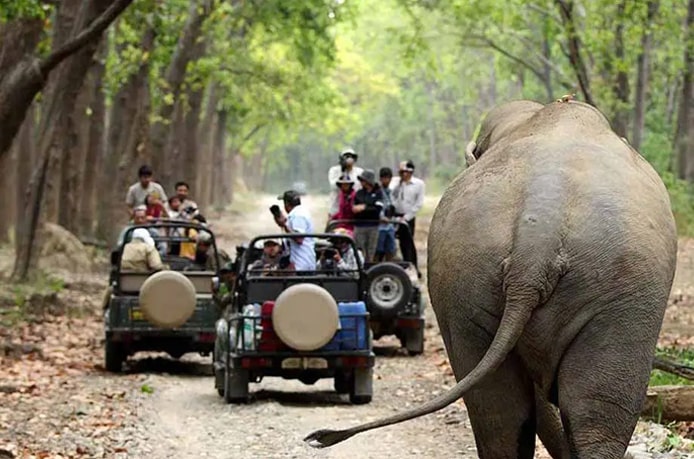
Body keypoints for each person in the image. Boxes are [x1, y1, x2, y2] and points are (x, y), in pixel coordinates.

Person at [391, 160, 424, 276]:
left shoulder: (418, 184)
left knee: (408, 243)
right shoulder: (395, 182)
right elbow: (391, 197)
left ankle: (412, 266)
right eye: (402, 172)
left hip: (408, 217)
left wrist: (407, 217)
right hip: (394, 216)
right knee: (392, 242)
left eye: (406, 172)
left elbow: (418, 204)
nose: (404, 174)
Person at [273, 190, 315, 272]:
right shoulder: (298, 213)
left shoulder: (298, 215)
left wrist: (285, 225)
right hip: (301, 263)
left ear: (287, 204)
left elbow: (299, 239)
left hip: (301, 265)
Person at [352, 169, 384, 262]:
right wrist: (363, 208)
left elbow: (377, 208)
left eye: (363, 180)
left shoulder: (378, 193)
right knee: (359, 249)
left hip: (373, 225)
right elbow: (355, 208)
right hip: (360, 225)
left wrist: (365, 207)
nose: (362, 182)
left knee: (371, 249)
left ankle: (369, 266)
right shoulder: (359, 193)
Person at [327, 148, 363, 218]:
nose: (349, 159)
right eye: (346, 157)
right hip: (336, 208)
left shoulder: (359, 172)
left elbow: (358, 187)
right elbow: (333, 186)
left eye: (351, 157)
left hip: (353, 209)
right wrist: (343, 171)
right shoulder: (334, 170)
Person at [376, 167, 397, 262]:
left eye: (388, 178)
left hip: (390, 224)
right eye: (384, 178)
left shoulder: (390, 191)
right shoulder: (377, 191)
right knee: (378, 250)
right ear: (380, 178)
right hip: (380, 225)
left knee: (391, 249)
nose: (386, 181)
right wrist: (381, 217)